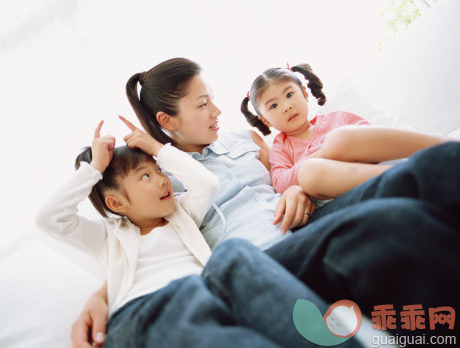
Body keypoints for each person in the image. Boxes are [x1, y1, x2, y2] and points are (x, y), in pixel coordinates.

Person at [72, 57, 460, 346]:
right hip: (262, 260)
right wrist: (100, 296)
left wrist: (297, 188)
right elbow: (140, 242)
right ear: (168, 120)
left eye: (213, 99)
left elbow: (283, 174)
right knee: (243, 253)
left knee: (428, 173)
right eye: (203, 103)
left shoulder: (246, 139)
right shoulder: (156, 176)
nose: (218, 111)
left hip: (307, 227)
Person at [35, 120, 349, 347]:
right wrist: (93, 168)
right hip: (143, 312)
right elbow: (50, 219)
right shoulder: (107, 237)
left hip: (204, 294)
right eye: (146, 175)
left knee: (234, 254)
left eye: (160, 171)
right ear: (116, 203)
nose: (163, 180)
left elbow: (208, 183)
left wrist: (159, 150)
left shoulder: (181, 212)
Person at [241, 64, 446, 200]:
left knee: (339, 138)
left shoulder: (338, 118)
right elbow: (280, 183)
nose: (286, 106)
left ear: (305, 94)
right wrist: (321, 155)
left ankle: (441, 145)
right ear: (265, 120)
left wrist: (335, 148)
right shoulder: (280, 147)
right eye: (274, 106)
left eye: (289, 94)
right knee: (310, 173)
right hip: (333, 188)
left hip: (364, 163)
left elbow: (372, 138)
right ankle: (407, 176)